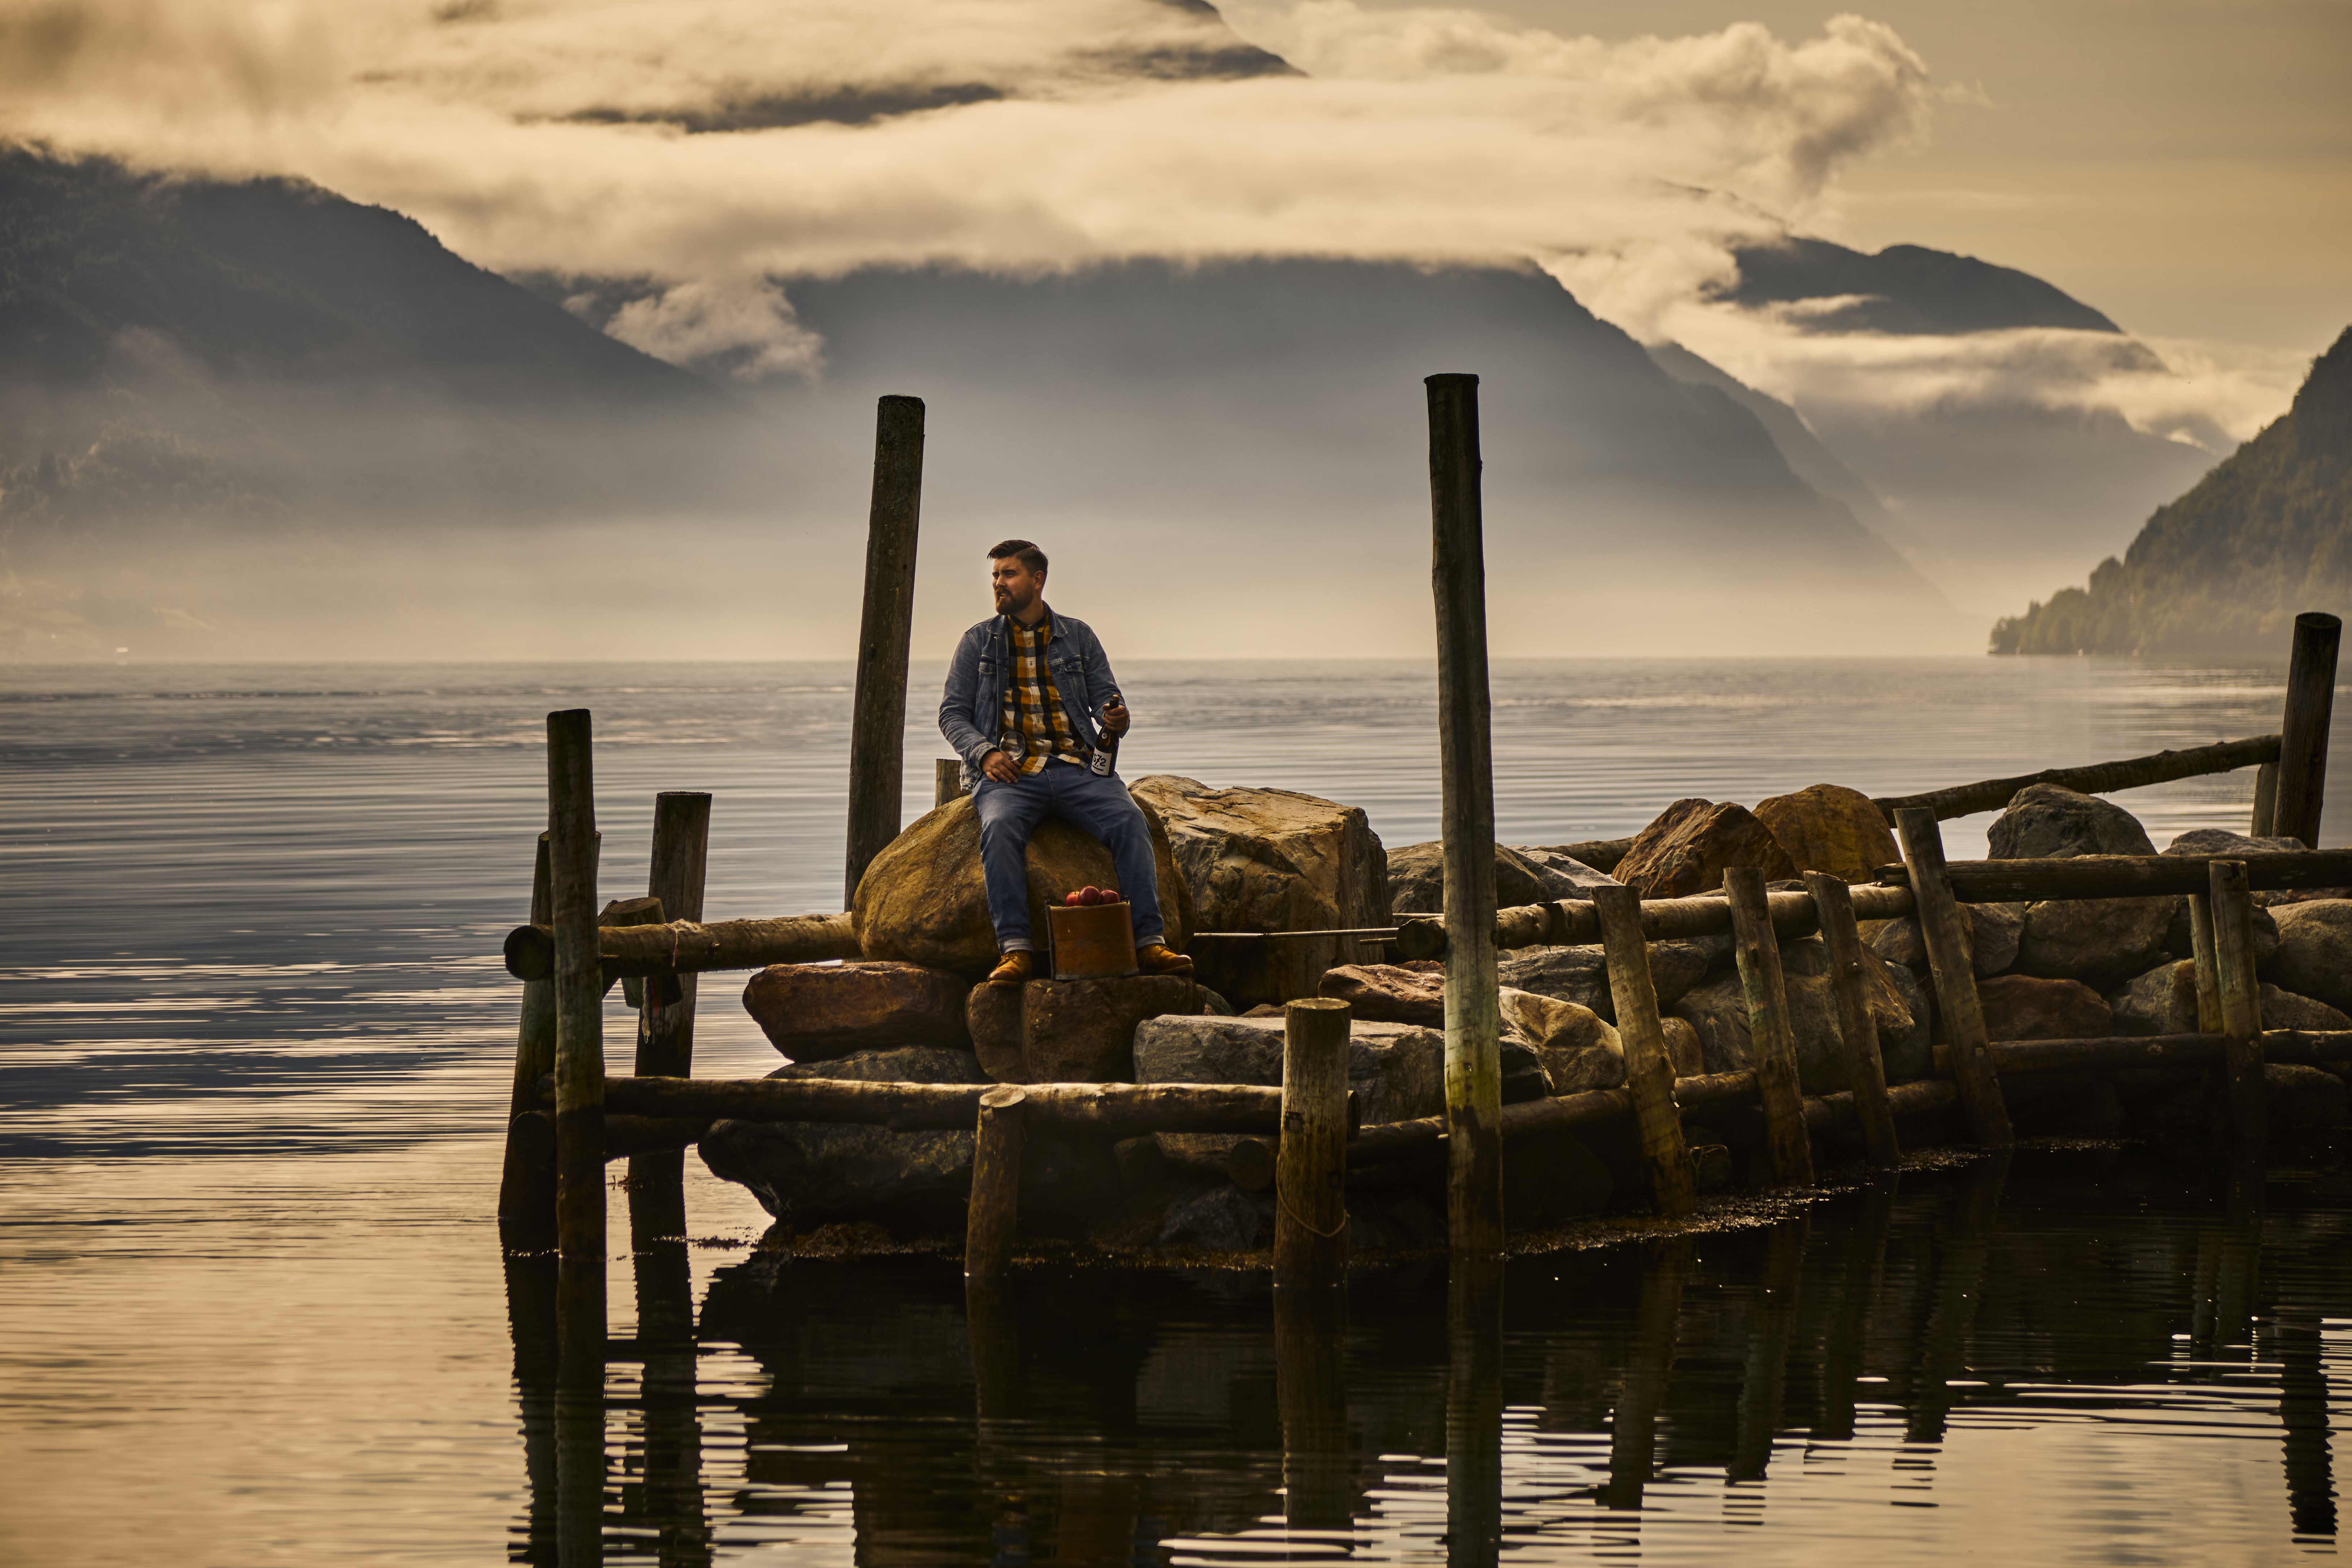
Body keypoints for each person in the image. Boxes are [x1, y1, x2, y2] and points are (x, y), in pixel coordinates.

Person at [939, 539, 1195, 986]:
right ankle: (1016, 952)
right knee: (998, 829)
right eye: (995, 575)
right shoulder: (978, 641)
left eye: (1009, 574)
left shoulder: (1077, 636)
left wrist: (1116, 717)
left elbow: (1106, 703)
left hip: (1078, 769)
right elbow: (952, 714)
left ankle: (1149, 943)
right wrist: (986, 753)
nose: (998, 583)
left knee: (1129, 822)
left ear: (1037, 580)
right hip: (1010, 774)